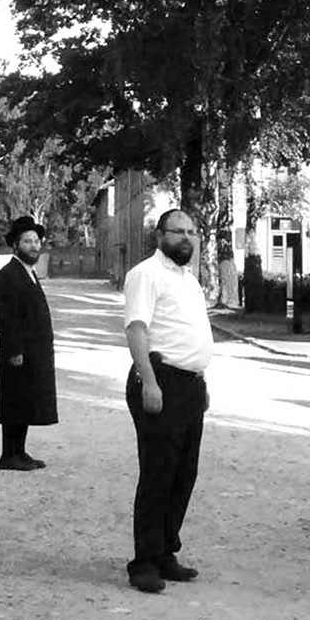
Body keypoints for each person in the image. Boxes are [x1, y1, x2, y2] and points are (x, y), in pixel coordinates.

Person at [121, 207, 213, 594]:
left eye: (192, 232)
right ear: (160, 236)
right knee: (158, 473)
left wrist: (201, 382)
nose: (186, 238)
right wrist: (149, 381)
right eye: (178, 231)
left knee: (183, 473)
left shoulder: (189, 280)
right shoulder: (146, 274)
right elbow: (137, 329)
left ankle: (164, 552)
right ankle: (143, 561)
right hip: (160, 381)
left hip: (189, 385)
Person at [0, 214, 58, 470]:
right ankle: (9, 455)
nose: (34, 246)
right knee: (14, 400)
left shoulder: (29, 272)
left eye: (36, 241)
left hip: (34, 351)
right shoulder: (8, 275)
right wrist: (14, 349)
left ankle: (19, 451)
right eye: (27, 241)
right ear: (15, 245)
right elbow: (6, 316)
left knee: (27, 400)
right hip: (17, 351)